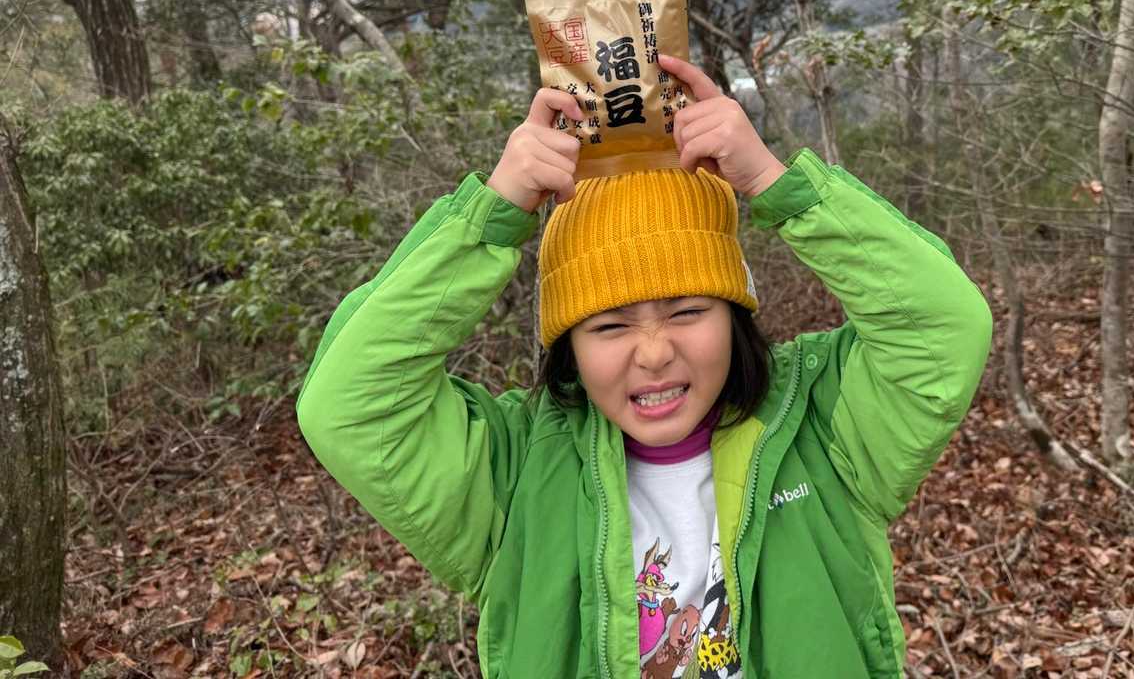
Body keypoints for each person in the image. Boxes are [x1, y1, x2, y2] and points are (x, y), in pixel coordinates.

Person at [296, 53, 993, 678]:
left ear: (734, 315)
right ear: (568, 347)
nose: (654, 352)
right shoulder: (513, 475)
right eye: (609, 325)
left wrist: (778, 186)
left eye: (687, 311)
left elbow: (943, 329)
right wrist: (489, 219)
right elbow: (348, 404)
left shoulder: (823, 426)